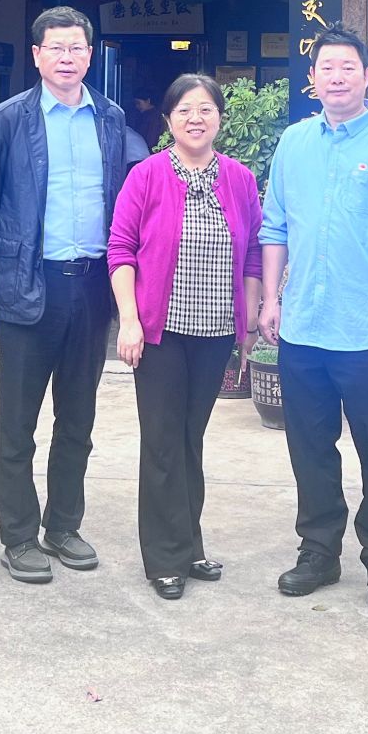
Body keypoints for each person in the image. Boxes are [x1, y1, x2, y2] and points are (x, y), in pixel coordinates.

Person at [260, 24, 368, 617]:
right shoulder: (294, 143)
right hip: (303, 325)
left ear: (367, 76)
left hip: (367, 329)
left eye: (347, 67)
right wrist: (271, 299)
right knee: (309, 445)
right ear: (312, 79)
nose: (336, 77)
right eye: (326, 68)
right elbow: (275, 226)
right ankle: (319, 551)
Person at [0, 6, 137, 583]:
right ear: (37, 55)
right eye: (56, 48)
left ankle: (63, 525)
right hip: (29, 284)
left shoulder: (111, 118)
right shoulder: (8, 119)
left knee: (77, 419)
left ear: (90, 56)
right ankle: (18, 536)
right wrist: (13, 256)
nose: (66, 58)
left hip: (91, 286)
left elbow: (121, 197)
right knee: (17, 423)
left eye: (76, 48)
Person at [108, 73, 264, 599]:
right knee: (161, 442)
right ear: (168, 119)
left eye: (205, 110)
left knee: (189, 438)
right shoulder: (147, 175)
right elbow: (121, 250)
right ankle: (164, 558)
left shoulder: (239, 179)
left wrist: (248, 323)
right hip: (160, 333)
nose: (195, 119)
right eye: (184, 110)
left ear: (219, 117)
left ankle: (189, 544)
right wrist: (130, 320)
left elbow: (253, 253)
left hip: (215, 331)